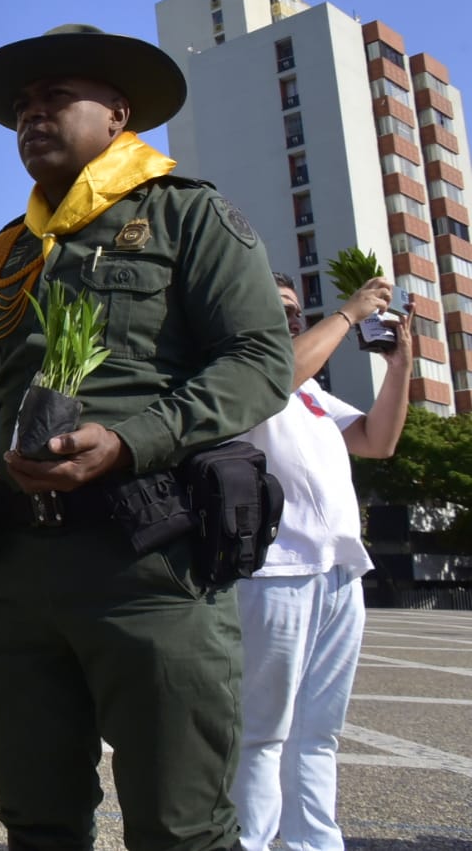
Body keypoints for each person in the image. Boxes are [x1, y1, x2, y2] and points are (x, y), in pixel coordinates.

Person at [0, 25, 295, 850]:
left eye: (53, 98)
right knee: (36, 821)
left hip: (150, 564)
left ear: (117, 113)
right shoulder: (6, 256)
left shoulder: (185, 214)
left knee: (179, 827)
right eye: (20, 107)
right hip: (18, 576)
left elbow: (262, 359)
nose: (30, 117)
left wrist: (131, 440)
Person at [232, 274, 411, 851]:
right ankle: (250, 841)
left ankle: (315, 842)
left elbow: (378, 440)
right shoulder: (247, 369)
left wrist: (401, 365)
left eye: (295, 311)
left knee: (319, 732)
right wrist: (351, 313)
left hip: (338, 571)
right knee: (262, 732)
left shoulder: (312, 391)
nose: (290, 318)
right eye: (278, 308)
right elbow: (276, 376)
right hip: (275, 570)